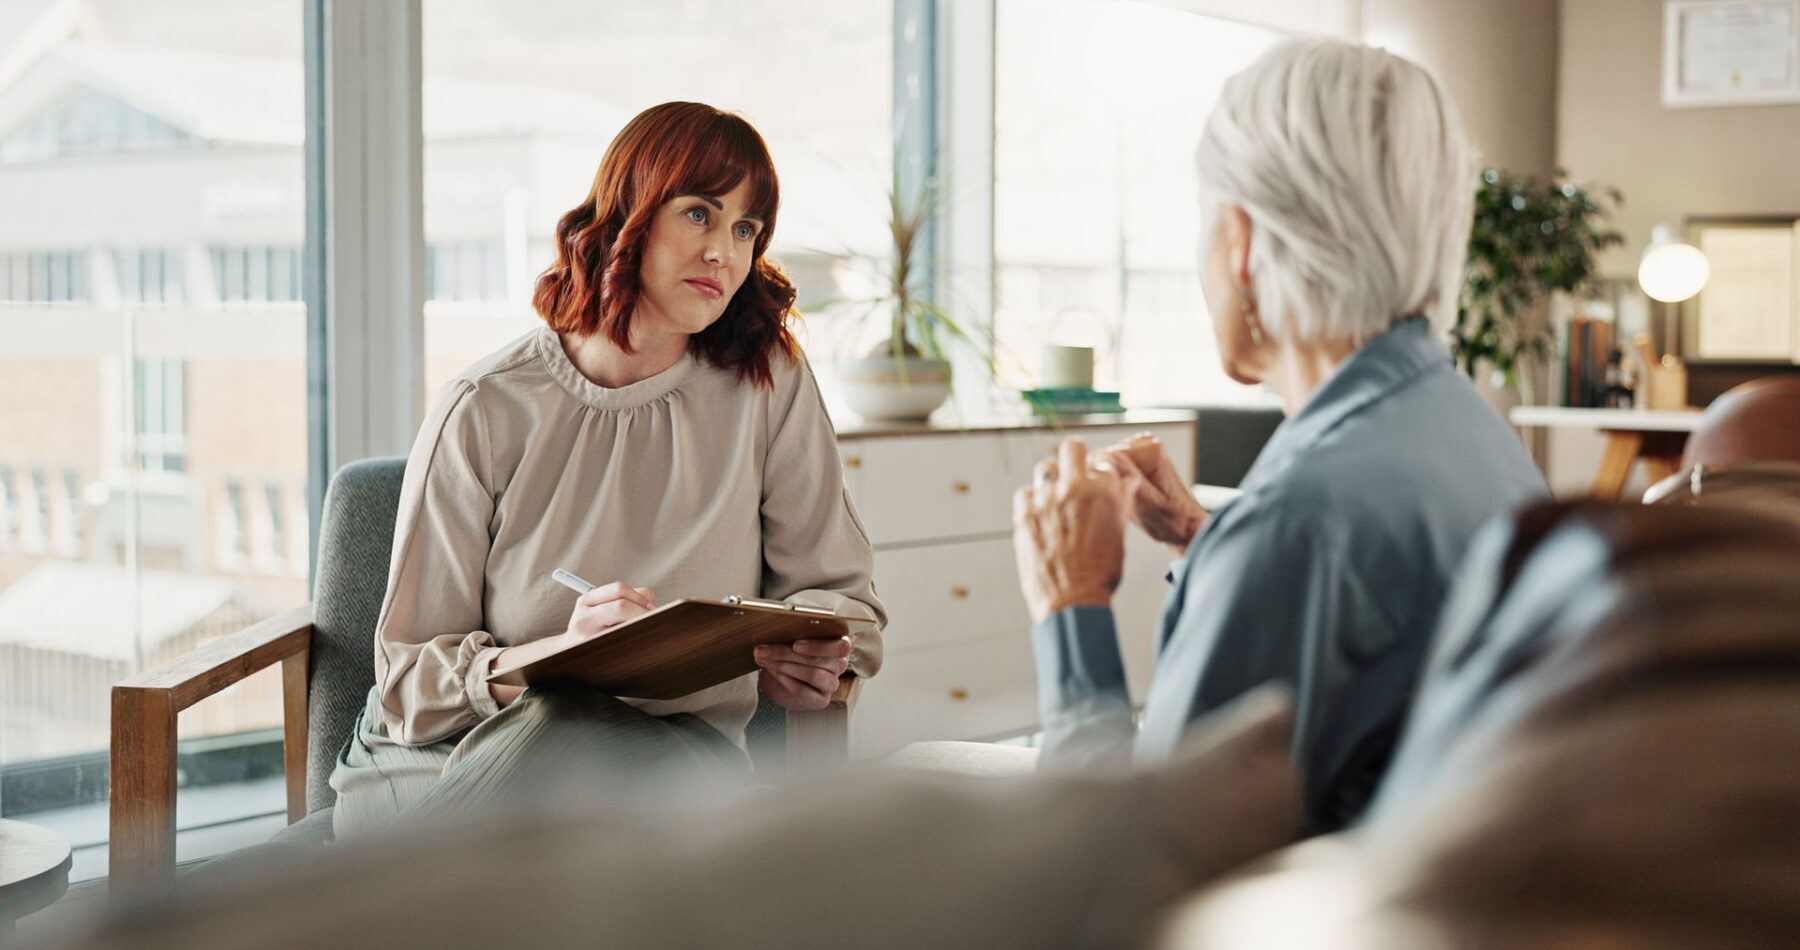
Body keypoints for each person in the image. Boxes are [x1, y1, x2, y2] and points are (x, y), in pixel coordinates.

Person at [1011, 38, 1546, 830]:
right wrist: (1209, 545)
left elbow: (1133, 878)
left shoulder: (1299, 522)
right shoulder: (1471, 433)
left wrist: (1071, 607)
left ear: (1242, 243)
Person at [327, 101, 887, 836]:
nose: (724, 251)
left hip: (665, 758)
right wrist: (563, 654)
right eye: (700, 214)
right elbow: (407, 689)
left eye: (746, 229)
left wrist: (818, 659)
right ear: (632, 213)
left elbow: (845, 604)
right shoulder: (486, 405)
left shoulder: (766, 383)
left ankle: (365, 906)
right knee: (556, 730)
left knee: (571, 751)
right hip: (443, 759)